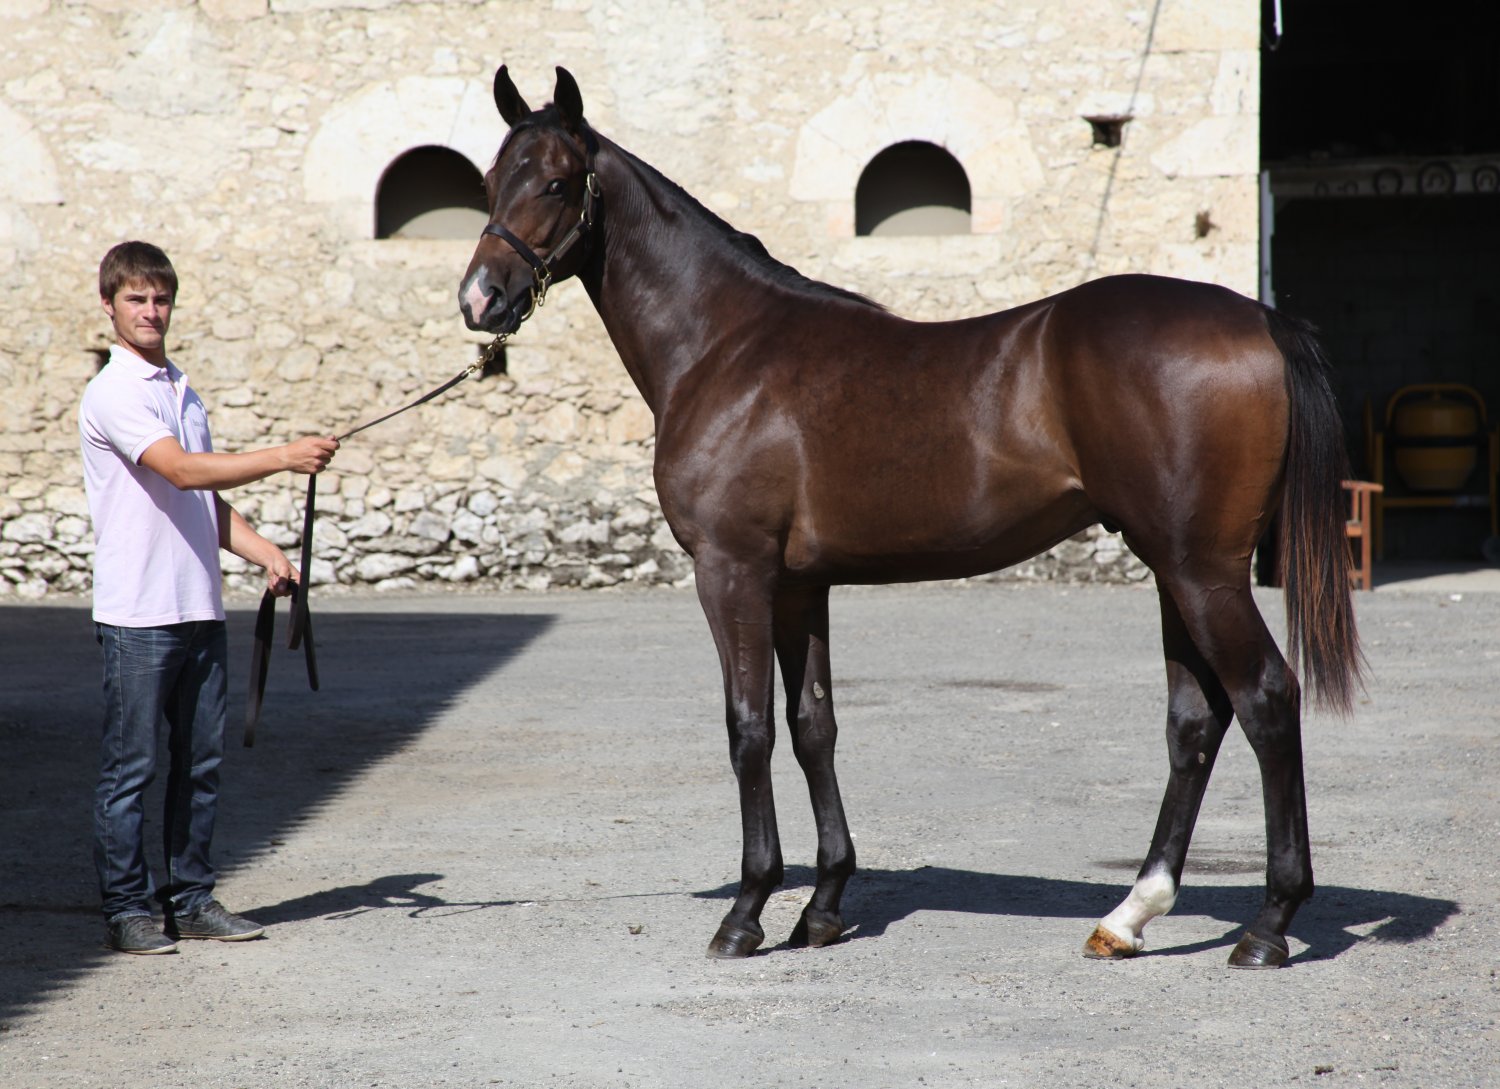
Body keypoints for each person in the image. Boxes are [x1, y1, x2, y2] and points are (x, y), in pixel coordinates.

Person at [79, 241, 339, 955]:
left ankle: (189, 900)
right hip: (138, 615)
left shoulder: (181, 390)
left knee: (200, 766)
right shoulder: (115, 391)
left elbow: (204, 503)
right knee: (131, 770)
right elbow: (184, 471)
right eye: (136, 299)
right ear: (109, 306)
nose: (150, 311)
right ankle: (127, 909)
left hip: (199, 607)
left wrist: (267, 554)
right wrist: (284, 456)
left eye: (160, 298)